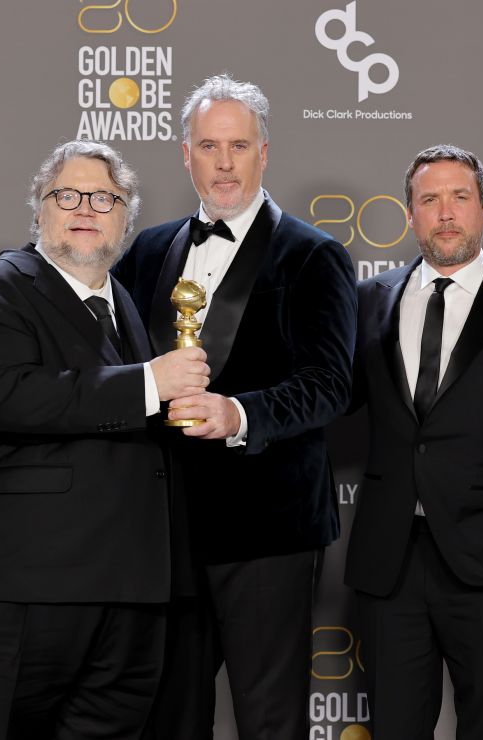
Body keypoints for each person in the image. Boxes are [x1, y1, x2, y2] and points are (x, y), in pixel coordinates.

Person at [0, 140, 209, 740]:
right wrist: (148, 382)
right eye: (66, 195)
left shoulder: (122, 304)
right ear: (38, 210)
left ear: (127, 217)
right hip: (9, 596)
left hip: (120, 594)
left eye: (104, 198)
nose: (85, 208)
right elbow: (5, 396)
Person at [112, 73, 358, 739]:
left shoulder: (314, 255)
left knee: (268, 719)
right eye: (209, 146)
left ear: (264, 153)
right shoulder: (147, 249)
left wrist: (239, 414)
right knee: (166, 717)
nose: (224, 163)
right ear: (184, 154)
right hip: (162, 530)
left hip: (267, 530)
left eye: (239, 146)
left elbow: (331, 384)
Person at [343, 144, 483, 739]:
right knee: (394, 727)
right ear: (411, 214)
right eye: (429, 199)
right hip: (389, 561)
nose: (445, 212)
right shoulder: (371, 300)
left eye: (459, 198)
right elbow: (331, 399)